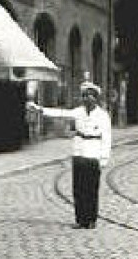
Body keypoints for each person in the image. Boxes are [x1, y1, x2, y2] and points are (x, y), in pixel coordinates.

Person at [28, 81, 112, 228]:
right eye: (84, 96)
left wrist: (104, 158)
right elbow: (61, 114)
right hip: (79, 153)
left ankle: (91, 220)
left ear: (96, 98)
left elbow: (107, 138)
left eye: (90, 96)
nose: (87, 99)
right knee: (78, 189)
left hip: (93, 154)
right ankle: (81, 220)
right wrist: (39, 109)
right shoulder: (78, 111)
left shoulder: (103, 115)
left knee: (91, 189)